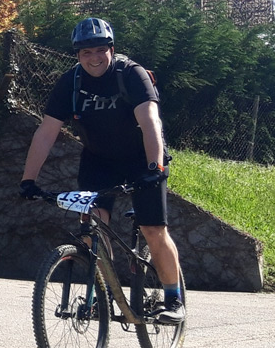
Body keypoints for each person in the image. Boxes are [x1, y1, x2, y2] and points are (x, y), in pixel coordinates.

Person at [19, 17, 186, 324]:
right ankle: (108, 294)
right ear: (77, 55)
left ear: (111, 49)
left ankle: (174, 298)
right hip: (98, 160)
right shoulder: (70, 83)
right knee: (94, 223)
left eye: (100, 51)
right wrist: (28, 180)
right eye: (86, 53)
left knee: (153, 229)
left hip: (141, 159)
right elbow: (46, 132)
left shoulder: (131, 74)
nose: (94, 58)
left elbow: (150, 122)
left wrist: (155, 167)